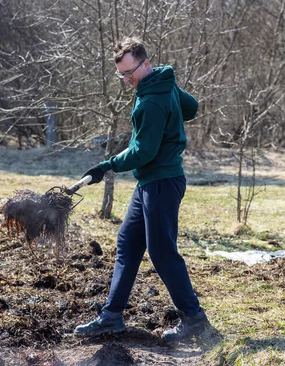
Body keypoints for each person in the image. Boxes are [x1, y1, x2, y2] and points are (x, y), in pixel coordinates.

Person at [74, 37, 210, 342]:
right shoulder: (159, 84)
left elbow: (143, 152)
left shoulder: (152, 100)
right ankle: (111, 316)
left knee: (162, 252)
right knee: (128, 242)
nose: (126, 80)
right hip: (150, 182)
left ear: (145, 64)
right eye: (121, 75)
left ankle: (195, 319)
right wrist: (169, 92)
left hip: (161, 181)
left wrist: (105, 166)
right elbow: (191, 108)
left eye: (129, 73)